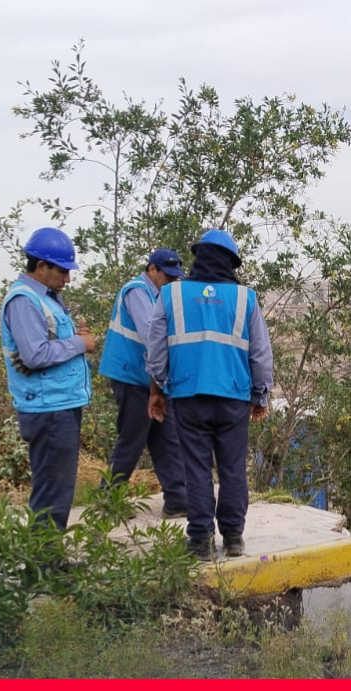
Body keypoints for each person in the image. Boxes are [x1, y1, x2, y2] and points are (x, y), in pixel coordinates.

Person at [145, 228, 273, 561]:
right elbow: (260, 354)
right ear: (231, 263)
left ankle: (200, 540)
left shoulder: (171, 295)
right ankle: (233, 538)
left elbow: (155, 352)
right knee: (232, 469)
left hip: (188, 397)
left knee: (197, 469)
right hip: (232, 398)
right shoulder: (246, 298)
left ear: (198, 257)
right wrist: (260, 396)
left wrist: (160, 388)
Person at [0, 227, 95, 531]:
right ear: (41, 266)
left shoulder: (46, 298)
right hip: (48, 408)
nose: (67, 279)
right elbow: (35, 355)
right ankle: (44, 567)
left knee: (57, 489)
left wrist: (76, 340)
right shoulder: (24, 300)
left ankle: (49, 562)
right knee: (52, 491)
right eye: (63, 271)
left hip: (58, 404)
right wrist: (82, 344)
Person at [98, 248, 189, 518]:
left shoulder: (157, 294)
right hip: (132, 377)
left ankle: (177, 499)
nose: (171, 281)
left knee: (167, 437)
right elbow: (152, 335)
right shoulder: (136, 291)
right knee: (133, 438)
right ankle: (108, 501)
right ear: (152, 269)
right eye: (167, 275)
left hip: (153, 379)